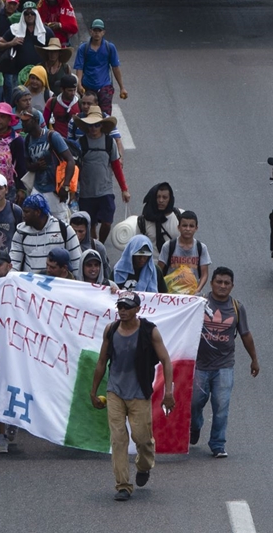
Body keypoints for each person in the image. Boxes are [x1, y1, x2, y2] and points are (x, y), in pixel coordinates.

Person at [90, 291, 175, 501]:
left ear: (138, 309)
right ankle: (123, 486)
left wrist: (169, 392)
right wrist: (93, 392)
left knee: (142, 438)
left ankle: (144, 466)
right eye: (120, 307)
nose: (123, 311)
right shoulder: (111, 330)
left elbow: (166, 360)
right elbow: (102, 362)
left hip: (139, 394)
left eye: (127, 307)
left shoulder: (149, 331)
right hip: (115, 392)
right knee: (118, 439)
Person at [191, 267, 259, 458]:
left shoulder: (237, 307)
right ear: (211, 283)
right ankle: (194, 427)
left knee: (221, 407)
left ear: (232, 286)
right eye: (219, 282)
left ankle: (218, 444)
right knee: (194, 403)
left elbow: (245, 334)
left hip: (224, 366)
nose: (222, 286)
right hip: (199, 366)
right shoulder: (199, 303)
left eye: (226, 283)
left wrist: (254, 359)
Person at [74, 106, 130, 244]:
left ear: (102, 125)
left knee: (107, 222)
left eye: (97, 125)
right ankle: (95, 246)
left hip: (105, 190)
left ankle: (101, 244)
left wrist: (124, 189)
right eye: (91, 125)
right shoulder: (80, 143)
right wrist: (73, 190)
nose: (93, 128)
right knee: (90, 224)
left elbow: (116, 166)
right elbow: (75, 168)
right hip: (86, 193)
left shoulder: (109, 142)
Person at [21, 110, 74, 222]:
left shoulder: (52, 136)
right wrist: (36, 166)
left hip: (55, 190)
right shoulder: (27, 140)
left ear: (35, 121)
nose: (23, 124)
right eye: (22, 121)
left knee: (61, 224)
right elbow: (27, 165)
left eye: (26, 121)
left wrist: (66, 186)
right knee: (35, 222)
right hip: (38, 189)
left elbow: (70, 160)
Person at [9, 193, 81, 275]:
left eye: (26, 212)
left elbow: (77, 263)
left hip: (57, 285)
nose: (23, 215)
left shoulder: (64, 229)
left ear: (37, 212)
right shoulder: (20, 233)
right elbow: (14, 264)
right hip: (30, 286)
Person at [73, 19, 127, 117]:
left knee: (105, 116)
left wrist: (122, 87)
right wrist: (79, 84)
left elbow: (115, 68)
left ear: (103, 32)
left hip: (104, 86)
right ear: (91, 31)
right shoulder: (83, 48)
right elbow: (79, 68)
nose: (97, 33)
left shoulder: (109, 47)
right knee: (87, 114)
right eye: (95, 30)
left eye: (99, 31)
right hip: (88, 86)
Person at [158, 211, 210, 295]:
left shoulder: (201, 248)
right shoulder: (169, 246)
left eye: (191, 226)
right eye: (184, 225)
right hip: (171, 293)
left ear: (196, 228)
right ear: (179, 227)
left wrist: (198, 290)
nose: (188, 229)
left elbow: (204, 274)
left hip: (192, 293)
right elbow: (159, 270)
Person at [137, 182, 182, 255]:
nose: (161, 200)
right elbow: (138, 247)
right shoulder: (143, 221)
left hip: (174, 264)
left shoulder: (179, 217)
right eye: (158, 197)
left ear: (170, 199)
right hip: (152, 264)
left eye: (165, 197)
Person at [69, 210, 111, 281]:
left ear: (87, 230)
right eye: (73, 231)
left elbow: (106, 274)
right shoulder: (65, 246)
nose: (76, 235)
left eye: (81, 231)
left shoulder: (98, 247)